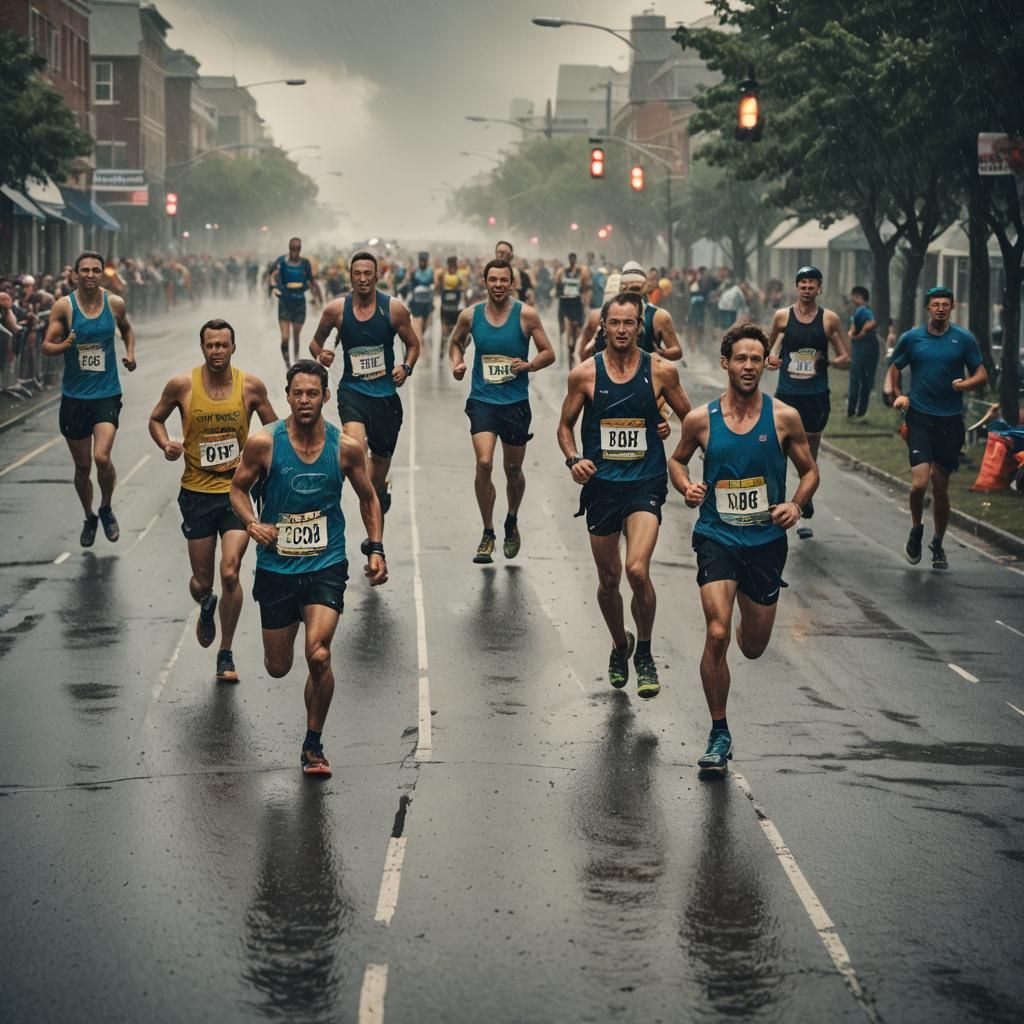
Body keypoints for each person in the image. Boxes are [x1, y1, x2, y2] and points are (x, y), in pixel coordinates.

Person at [669, 322, 818, 775]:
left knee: (751, 646)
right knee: (716, 633)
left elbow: (810, 473)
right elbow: (676, 460)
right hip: (718, 537)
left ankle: (742, 621)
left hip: (766, 543)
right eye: (741, 358)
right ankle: (719, 732)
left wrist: (795, 504)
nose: (749, 366)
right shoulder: (701, 420)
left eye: (757, 358)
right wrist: (687, 487)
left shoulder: (784, 418)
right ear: (726, 363)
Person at [229, 360, 388, 777]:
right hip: (277, 568)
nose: (304, 400)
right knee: (278, 667)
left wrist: (376, 548)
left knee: (318, 654)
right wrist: (251, 523)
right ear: (287, 396)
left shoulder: (346, 447)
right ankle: (309, 724)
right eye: (297, 393)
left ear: (326, 397)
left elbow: (369, 498)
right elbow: (237, 489)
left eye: (312, 393)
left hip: (326, 563)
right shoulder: (264, 443)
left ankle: (313, 743)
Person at [557, 292, 692, 700]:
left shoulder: (662, 372)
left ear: (640, 327)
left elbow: (695, 421)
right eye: (613, 323)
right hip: (600, 486)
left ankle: (646, 652)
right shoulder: (584, 375)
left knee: (636, 570)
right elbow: (564, 426)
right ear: (603, 326)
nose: (620, 329)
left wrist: (675, 442)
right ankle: (620, 645)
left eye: (628, 323)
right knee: (609, 580)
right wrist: (573, 458)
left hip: (644, 483)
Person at [148, 318, 277, 682]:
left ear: (233, 348)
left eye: (223, 345)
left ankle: (226, 652)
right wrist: (166, 443)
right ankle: (206, 603)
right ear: (202, 348)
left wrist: (266, 463)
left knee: (230, 571)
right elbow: (156, 419)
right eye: (211, 345)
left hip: (236, 494)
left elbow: (274, 430)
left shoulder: (250, 386)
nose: (217, 351)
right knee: (203, 582)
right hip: (196, 494)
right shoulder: (182, 386)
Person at [309, 251, 420, 544]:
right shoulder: (336, 310)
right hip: (353, 393)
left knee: (374, 481)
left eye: (367, 273)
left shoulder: (393, 310)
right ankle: (375, 544)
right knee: (353, 451)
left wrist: (405, 367)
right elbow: (315, 343)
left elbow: (413, 345)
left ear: (376, 275)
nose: (362, 279)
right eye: (356, 273)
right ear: (350, 276)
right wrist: (321, 354)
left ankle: (379, 501)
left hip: (385, 399)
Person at [448, 258, 555, 563]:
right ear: (484, 281)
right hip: (483, 401)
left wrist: (530, 365)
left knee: (513, 470)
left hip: (515, 403)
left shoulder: (527, 316)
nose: (498, 285)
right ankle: (487, 533)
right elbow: (455, 342)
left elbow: (549, 352)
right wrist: (457, 362)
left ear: (512, 283)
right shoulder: (471, 315)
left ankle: (511, 519)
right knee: (484, 463)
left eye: (503, 280)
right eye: (492, 279)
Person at [886, 286, 987, 571]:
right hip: (920, 417)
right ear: (928, 308)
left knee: (941, 487)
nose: (940, 308)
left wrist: (965, 385)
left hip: (950, 421)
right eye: (935, 304)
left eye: (945, 304)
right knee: (920, 482)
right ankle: (916, 529)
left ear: (952, 307)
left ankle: (938, 542)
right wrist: (898, 396)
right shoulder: (912, 338)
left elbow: (981, 374)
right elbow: (895, 368)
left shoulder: (963, 339)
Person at [41, 250, 137, 546]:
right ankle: (89, 516)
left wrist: (130, 355)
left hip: (106, 394)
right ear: (75, 274)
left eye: (96, 270)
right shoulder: (64, 307)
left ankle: (106, 508)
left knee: (101, 457)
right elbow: (46, 346)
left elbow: (127, 330)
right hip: (74, 397)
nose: (91, 275)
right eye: (85, 270)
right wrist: (65, 345)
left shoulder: (115, 303)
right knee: (83, 467)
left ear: (102, 273)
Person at [766, 266, 849, 539]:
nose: (807, 288)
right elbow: (768, 353)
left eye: (812, 284)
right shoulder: (782, 318)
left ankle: (803, 511)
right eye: (803, 284)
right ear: (796, 287)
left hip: (815, 396)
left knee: (808, 459)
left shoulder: (829, 320)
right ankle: (776, 507)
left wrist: (828, 362)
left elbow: (845, 358)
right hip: (787, 395)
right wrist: (771, 360)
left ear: (819, 288)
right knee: (777, 453)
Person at [581, 262, 683, 362]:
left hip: (646, 375)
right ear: (621, 289)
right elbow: (584, 354)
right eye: (627, 288)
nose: (632, 293)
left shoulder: (658, 316)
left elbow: (677, 350)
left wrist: (659, 353)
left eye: (636, 288)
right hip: (613, 374)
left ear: (644, 288)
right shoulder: (606, 314)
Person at [271, 238, 322, 367]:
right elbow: (271, 276)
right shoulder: (281, 261)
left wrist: (317, 299)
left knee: (296, 335)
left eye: (297, 248)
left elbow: (311, 281)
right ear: (289, 248)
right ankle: (287, 363)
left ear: (300, 249)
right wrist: (274, 288)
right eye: (293, 248)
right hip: (285, 301)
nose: (295, 251)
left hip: (299, 302)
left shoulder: (305, 263)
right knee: (285, 337)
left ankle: (296, 359)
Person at [846, 286, 879, 418]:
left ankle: (851, 411)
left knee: (855, 379)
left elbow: (872, 322)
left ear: (859, 296)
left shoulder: (861, 310)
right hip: (870, 348)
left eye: (853, 296)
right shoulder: (866, 309)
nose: (851, 299)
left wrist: (860, 334)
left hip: (862, 348)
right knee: (866, 380)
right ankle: (861, 411)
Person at [555, 252, 590, 367]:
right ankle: (568, 340)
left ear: (575, 260)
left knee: (579, 327)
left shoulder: (582, 272)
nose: (572, 261)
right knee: (566, 327)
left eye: (574, 259)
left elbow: (585, 287)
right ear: (569, 260)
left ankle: (576, 346)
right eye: (571, 259)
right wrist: (558, 293)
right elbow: (557, 285)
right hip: (565, 302)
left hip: (576, 302)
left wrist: (585, 300)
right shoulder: (561, 272)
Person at [436, 255, 464, 358]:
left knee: (454, 334)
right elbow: (438, 288)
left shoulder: (459, 276)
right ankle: (442, 353)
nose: (452, 267)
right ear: (448, 265)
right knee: (444, 333)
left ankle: (453, 353)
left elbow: (462, 289)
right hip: (445, 308)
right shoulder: (443, 275)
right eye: (451, 264)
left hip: (455, 309)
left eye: (454, 264)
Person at [408, 252, 435, 344]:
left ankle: (421, 335)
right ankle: (418, 340)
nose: (422, 262)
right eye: (421, 260)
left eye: (424, 260)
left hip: (427, 300)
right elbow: (411, 285)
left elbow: (432, 284)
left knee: (425, 322)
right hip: (417, 300)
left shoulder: (430, 271)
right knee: (417, 321)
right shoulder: (415, 271)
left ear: (426, 261)